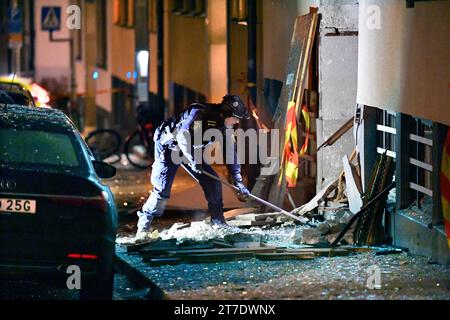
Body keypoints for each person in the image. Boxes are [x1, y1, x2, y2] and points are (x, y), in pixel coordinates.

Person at [135, 95, 251, 237]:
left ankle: (218, 222)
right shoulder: (199, 113)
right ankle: (143, 226)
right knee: (162, 190)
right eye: (236, 117)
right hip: (169, 147)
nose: (237, 121)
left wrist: (238, 181)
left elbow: (230, 152)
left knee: (213, 181)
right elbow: (182, 136)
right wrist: (193, 160)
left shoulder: (224, 127)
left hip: (191, 150)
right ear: (226, 113)